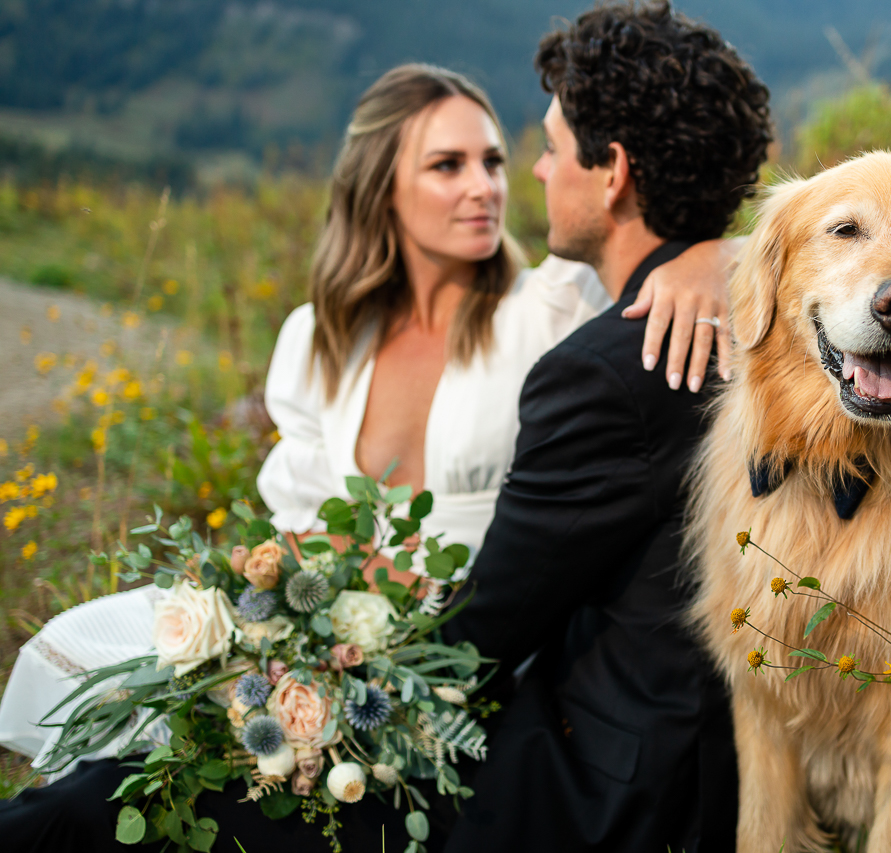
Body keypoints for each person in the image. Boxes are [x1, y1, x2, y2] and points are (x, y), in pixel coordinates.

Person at [0, 59, 738, 850]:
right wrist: (284, 622)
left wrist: (719, 257)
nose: (485, 186)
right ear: (381, 185)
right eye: (447, 166)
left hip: (481, 650)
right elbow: (299, 521)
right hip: (332, 627)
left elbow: (659, 246)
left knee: (130, 799)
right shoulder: (319, 337)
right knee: (89, 677)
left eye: (492, 161)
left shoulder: (553, 306)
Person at [436, 3, 771, 851]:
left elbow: (484, 632)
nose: (540, 171)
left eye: (550, 147)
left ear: (612, 169)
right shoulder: (780, 320)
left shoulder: (609, 372)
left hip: (625, 790)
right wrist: (725, 252)